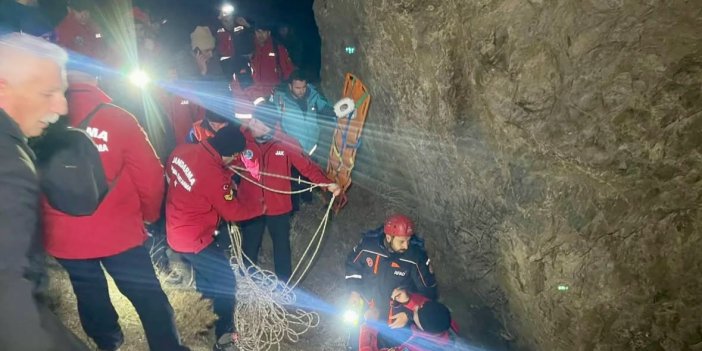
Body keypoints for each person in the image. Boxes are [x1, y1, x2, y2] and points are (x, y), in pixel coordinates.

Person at [42, 65, 188, 351]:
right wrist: (149, 216)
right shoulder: (118, 118)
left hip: (65, 236)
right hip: (118, 233)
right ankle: (167, 346)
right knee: (148, 297)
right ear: (94, 76)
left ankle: (108, 342)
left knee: (88, 293)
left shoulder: (42, 120)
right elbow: (150, 176)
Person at [0, 32, 90, 351]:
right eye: (48, 93)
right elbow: (7, 293)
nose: (62, 106)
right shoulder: (9, 164)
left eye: (63, 92)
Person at [166, 122, 264, 351]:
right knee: (227, 283)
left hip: (175, 229)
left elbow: (172, 178)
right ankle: (224, 337)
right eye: (234, 156)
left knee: (205, 275)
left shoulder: (182, 150)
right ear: (228, 153)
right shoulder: (213, 176)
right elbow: (233, 212)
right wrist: (260, 207)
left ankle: (206, 311)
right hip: (195, 239)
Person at [235, 102, 341, 282]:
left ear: (269, 126)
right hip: (250, 205)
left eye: (258, 123)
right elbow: (229, 163)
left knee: (281, 246)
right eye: (253, 120)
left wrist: (327, 184)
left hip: (278, 206)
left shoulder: (286, 143)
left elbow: (308, 168)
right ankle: (247, 282)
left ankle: (283, 286)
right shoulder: (241, 139)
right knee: (250, 244)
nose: (252, 125)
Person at [345, 214, 438, 347]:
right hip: (366, 308)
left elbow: (428, 293)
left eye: (408, 240)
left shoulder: (416, 257)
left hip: (395, 318)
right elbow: (353, 266)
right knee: (356, 343)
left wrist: (409, 314)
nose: (406, 245)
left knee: (387, 346)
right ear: (388, 237)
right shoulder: (368, 246)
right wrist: (354, 292)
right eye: (401, 241)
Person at [359, 296, 453, 351]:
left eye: (417, 311)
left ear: (421, 327)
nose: (415, 307)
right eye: (421, 306)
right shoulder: (444, 324)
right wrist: (408, 303)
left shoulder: (412, 347)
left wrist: (367, 327)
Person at [250, 22, 294, 90]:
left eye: (264, 32)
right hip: (256, 90)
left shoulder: (278, 48)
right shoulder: (250, 48)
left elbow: (288, 71)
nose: (260, 35)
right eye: (258, 31)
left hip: (274, 90)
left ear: (269, 33)